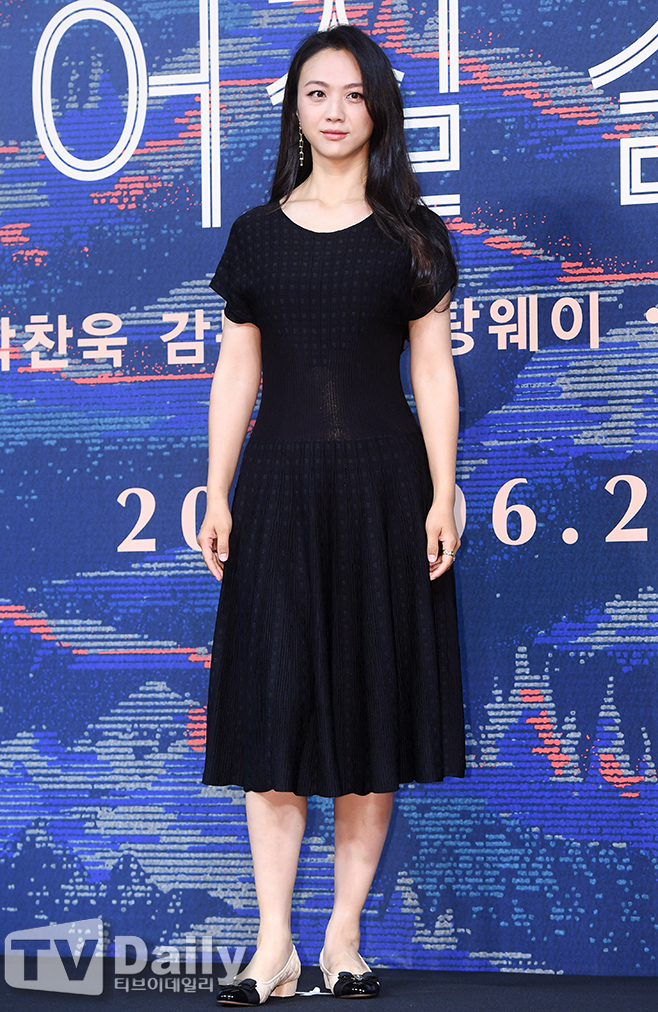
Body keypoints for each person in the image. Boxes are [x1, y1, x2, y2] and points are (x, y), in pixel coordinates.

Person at [197, 23, 466, 1006]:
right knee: (275, 718)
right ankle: (272, 946)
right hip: (277, 493)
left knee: (368, 715)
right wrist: (216, 487)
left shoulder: (413, 235)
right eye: (317, 93)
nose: (336, 111)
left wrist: (442, 488)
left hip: (385, 494)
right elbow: (237, 371)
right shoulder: (255, 235)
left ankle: (343, 939)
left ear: (379, 110)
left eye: (354, 94)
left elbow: (433, 371)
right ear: (295, 110)